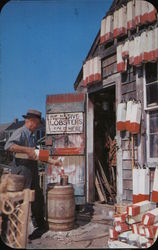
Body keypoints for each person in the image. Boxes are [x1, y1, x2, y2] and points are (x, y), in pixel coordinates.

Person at [4, 109, 62, 240]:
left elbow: (37, 155)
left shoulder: (33, 135)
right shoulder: (21, 132)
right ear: (31, 121)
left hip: (32, 171)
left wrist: (54, 162)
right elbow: (8, 146)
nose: (37, 126)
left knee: (37, 199)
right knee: (20, 202)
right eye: (37, 124)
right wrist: (26, 149)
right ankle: (14, 232)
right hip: (21, 172)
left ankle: (39, 226)